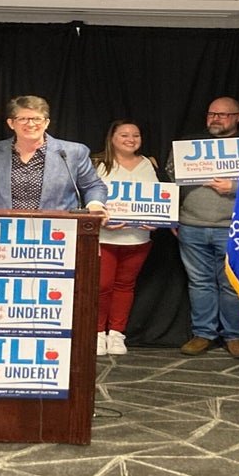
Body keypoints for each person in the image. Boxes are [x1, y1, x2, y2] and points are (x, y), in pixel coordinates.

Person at [168, 97, 239, 359]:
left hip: (234, 227)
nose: (216, 119)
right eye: (211, 114)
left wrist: (235, 187)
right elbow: (172, 180)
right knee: (199, 282)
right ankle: (203, 333)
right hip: (191, 224)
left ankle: (235, 336)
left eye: (223, 115)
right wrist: (172, 216)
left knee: (231, 284)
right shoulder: (188, 144)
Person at [0, 95, 108, 212]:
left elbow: (93, 186)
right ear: (11, 123)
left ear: (46, 123)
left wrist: (95, 204)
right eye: (23, 119)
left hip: (57, 233)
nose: (31, 124)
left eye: (37, 119)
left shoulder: (73, 152)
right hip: (3, 233)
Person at [93, 120, 160, 356]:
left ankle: (117, 334)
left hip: (138, 237)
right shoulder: (97, 163)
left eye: (136, 135)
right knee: (102, 286)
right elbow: (85, 200)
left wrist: (157, 220)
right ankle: (98, 333)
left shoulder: (148, 164)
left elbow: (159, 199)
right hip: (105, 237)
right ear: (112, 138)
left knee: (125, 286)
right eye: (124, 135)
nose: (131, 139)